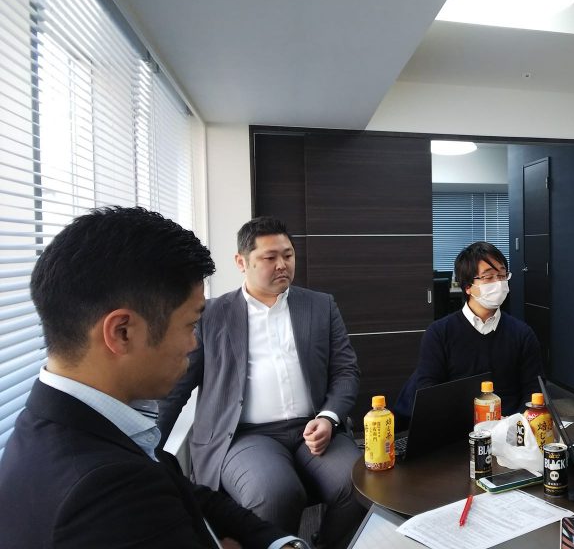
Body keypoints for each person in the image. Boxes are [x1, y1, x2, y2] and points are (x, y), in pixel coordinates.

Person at [0, 206, 307, 548]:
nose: (193, 344)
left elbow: (185, 494)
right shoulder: (103, 492)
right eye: (190, 325)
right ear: (123, 332)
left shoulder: (83, 423)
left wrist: (280, 542)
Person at [158, 217, 362, 548]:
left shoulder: (320, 305)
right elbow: (176, 386)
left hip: (313, 428)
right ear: (242, 262)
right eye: (270, 257)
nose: (282, 264)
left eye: (288, 255)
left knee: (358, 482)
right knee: (275, 492)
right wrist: (149, 447)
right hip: (245, 436)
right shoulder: (211, 315)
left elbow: (346, 371)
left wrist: (328, 417)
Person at [394, 241, 542, 419]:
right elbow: (428, 390)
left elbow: (534, 391)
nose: (499, 283)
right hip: (454, 426)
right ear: (468, 286)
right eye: (489, 277)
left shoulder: (522, 334)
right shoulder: (440, 333)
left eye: (502, 275)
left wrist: (515, 423)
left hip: (509, 427)